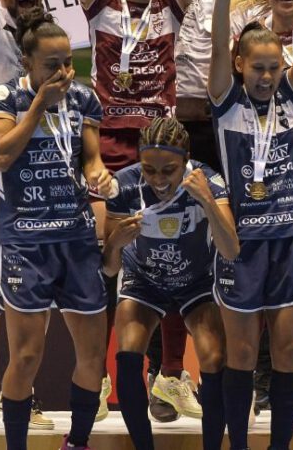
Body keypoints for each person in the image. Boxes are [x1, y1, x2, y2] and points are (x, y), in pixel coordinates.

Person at [208, 0, 293, 450]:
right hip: (241, 245)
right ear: (240, 64)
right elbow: (217, 50)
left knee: (287, 354)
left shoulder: (291, 102)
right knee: (239, 355)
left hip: (290, 242)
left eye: (274, 68)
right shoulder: (226, 103)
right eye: (257, 67)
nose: (266, 76)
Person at [0, 11, 112, 450]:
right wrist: (39, 104)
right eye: (51, 64)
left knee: (92, 356)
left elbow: (90, 159)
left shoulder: (83, 99)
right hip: (26, 242)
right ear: (27, 63)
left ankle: (78, 443)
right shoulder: (4, 97)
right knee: (25, 356)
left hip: (76, 239)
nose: (63, 73)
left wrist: (99, 175)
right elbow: (2, 155)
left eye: (67, 62)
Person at [105, 117, 237, 450]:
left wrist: (207, 201)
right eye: (149, 169)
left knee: (214, 358)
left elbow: (231, 250)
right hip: (144, 281)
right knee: (128, 356)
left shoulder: (208, 179)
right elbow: (108, 268)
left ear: (186, 160)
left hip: (196, 281)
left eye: (169, 170)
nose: (158, 179)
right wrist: (114, 242)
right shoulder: (124, 185)